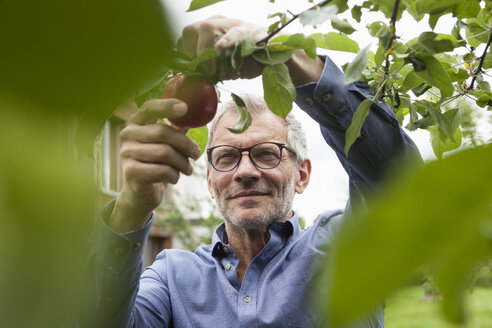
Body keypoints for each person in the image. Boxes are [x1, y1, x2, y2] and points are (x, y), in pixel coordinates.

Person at [84, 16, 421, 327]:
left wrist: (289, 57)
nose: (245, 171)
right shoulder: (172, 278)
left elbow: (403, 184)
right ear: (210, 179)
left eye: (266, 153)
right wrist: (133, 204)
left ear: (302, 174)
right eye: (227, 157)